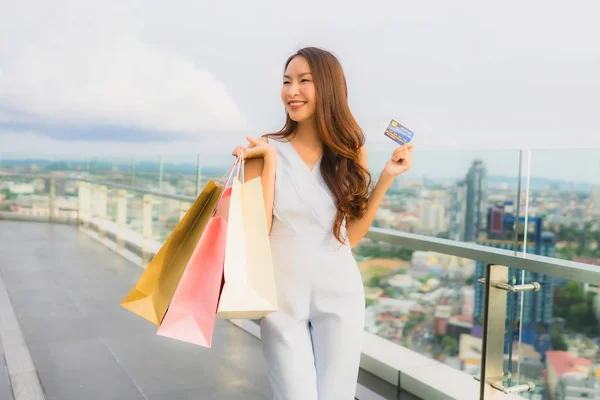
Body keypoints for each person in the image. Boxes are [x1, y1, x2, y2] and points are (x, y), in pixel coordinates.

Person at [231, 46, 413, 400]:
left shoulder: (350, 151)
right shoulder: (266, 147)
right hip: (282, 299)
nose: (292, 91)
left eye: (304, 81)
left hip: (341, 292)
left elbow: (352, 235)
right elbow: (257, 231)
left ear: (328, 88)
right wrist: (265, 162)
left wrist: (387, 177)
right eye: (287, 82)